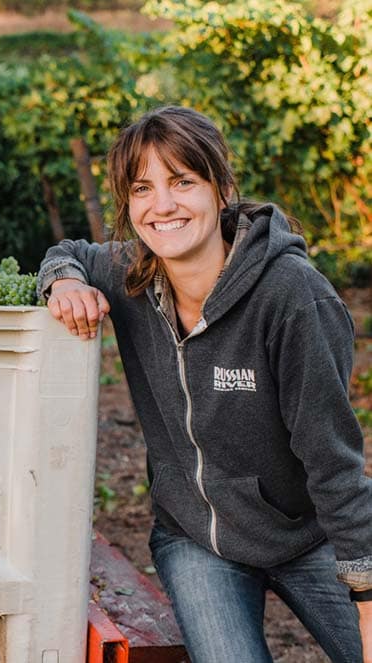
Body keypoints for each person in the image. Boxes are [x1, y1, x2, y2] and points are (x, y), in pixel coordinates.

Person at [37, 105, 372, 662]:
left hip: (308, 535)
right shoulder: (132, 276)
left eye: (182, 182)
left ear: (220, 189)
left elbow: (334, 462)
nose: (161, 205)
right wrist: (64, 281)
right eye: (142, 188)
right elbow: (67, 253)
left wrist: (367, 594)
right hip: (197, 541)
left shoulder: (292, 298)